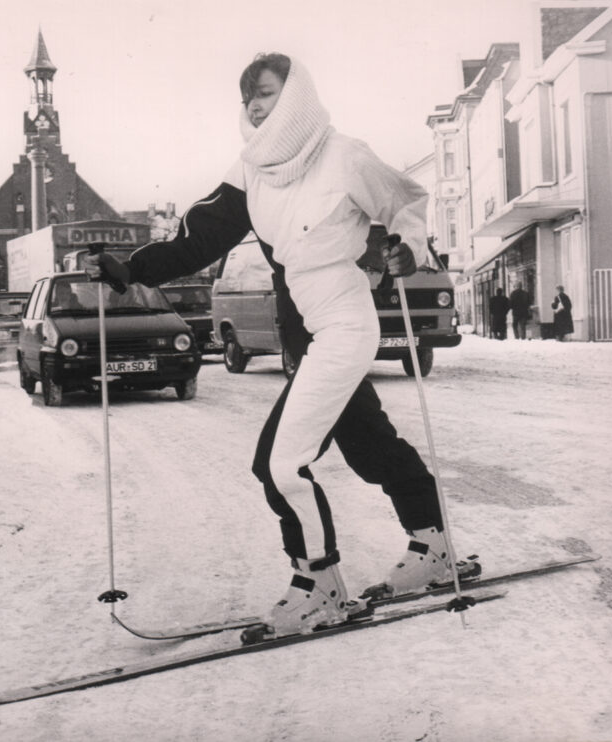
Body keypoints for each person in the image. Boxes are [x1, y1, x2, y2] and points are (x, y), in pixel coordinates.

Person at [89, 53, 462, 637]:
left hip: (342, 326)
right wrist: (130, 268)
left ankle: (319, 585)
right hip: (303, 330)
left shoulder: (344, 155)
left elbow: (405, 201)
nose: (255, 107)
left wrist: (406, 248)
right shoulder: (255, 168)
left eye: (265, 93)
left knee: (279, 463)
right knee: (368, 442)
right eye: (248, 98)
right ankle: (433, 544)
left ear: (295, 96)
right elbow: (199, 238)